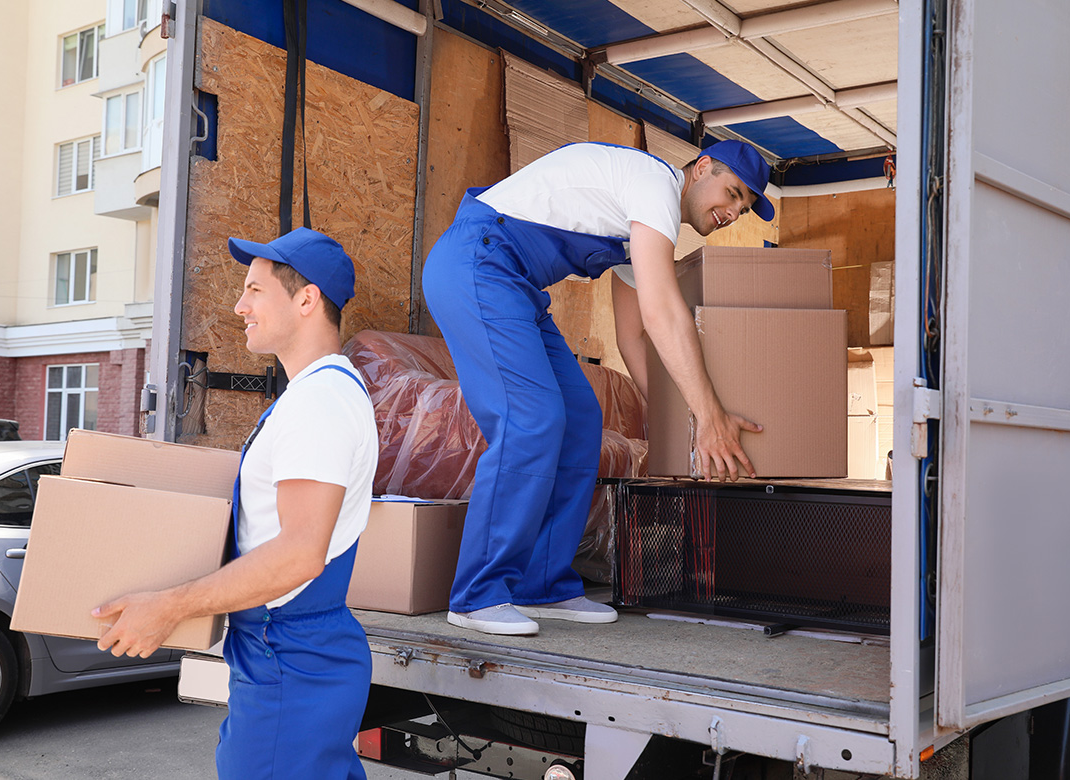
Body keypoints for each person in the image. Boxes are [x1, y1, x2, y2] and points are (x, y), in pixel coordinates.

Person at [422, 140, 773, 636]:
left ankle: (541, 584)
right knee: (533, 419)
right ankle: (478, 593)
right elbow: (663, 312)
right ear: (702, 169)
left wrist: (681, 422)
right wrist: (711, 419)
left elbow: (633, 336)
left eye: (745, 207)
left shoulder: (644, 227)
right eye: (733, 193)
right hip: (477, 263)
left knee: (582, 418)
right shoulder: (654, 185)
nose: (734, 212)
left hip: (515, 285)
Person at [93, 227, 378, 780]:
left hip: (288, 654)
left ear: (306, 299)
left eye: (254, 290)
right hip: (289, 651)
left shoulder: (318, 404)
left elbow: (299, 555)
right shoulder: (320, 395)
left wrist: (170, 606)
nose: (238, 305)